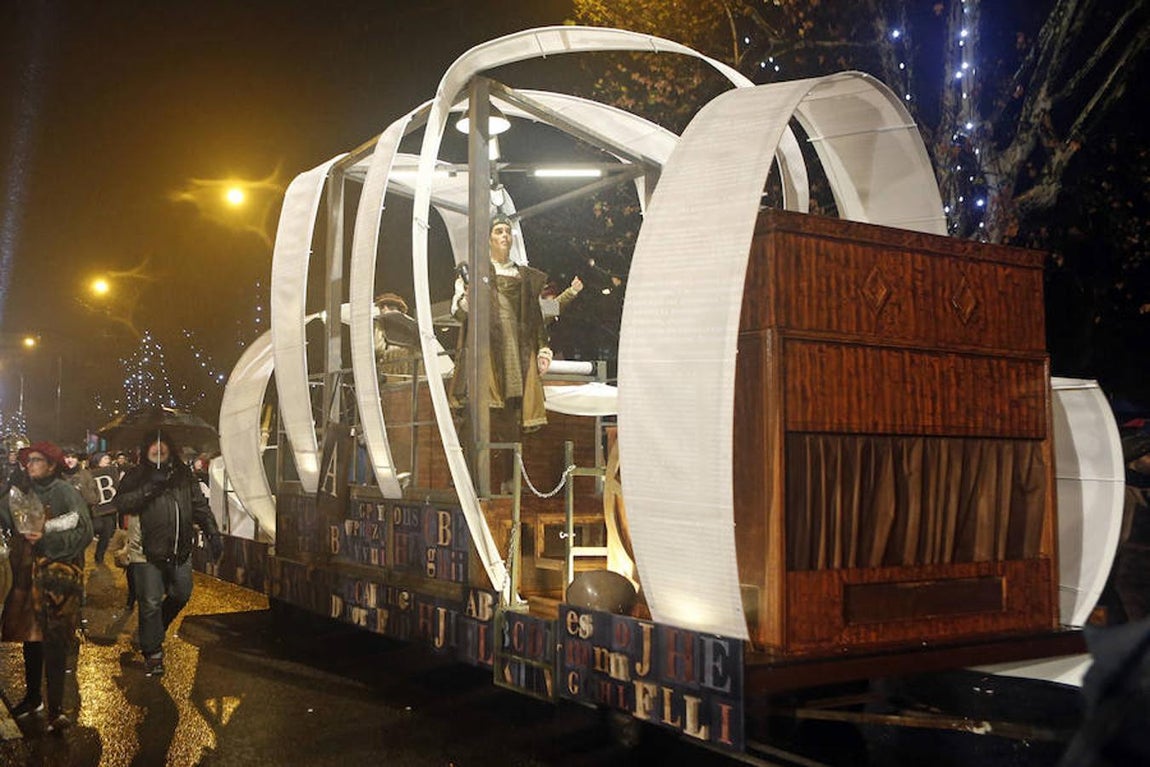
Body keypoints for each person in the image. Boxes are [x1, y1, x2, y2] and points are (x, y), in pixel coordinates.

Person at [450, 214, 582, 434]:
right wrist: (468, 297)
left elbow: (540, 314)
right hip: (487, 353)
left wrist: (570, 294)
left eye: (507, 231)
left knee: (512, 419)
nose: (504, 236)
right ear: (488, 239)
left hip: (517, 353)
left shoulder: (523, 277)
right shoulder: (474, 274)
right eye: (498, 231)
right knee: (484, 420)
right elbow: (459, 314)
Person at [0, 441, 93, 733]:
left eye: (37, 460)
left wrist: (46, 540)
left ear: (52, 465)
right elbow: (7, 515)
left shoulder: (64, 491)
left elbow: (84, 530)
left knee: (54, 641)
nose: (31, 465)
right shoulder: (24, 489)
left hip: (57, 579)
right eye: (28, 461)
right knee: (32, 638)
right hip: (27, 575)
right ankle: (33, 698)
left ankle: (56, 710)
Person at [114, 431, 222, 676]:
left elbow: (199, 506)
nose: (159, 449)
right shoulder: (136, 475)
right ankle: (153, 653)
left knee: (182, 593)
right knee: (150, 602)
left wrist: (213, 532)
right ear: (146, 449)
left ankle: (152, 631)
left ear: (171, 449)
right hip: (145, 552)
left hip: (179, 550)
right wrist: (151, 486)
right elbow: (122, 503)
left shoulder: (184, 475)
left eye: (163, 445)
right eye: (153, 445)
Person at [87, 452, 121, 566]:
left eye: (109, 459)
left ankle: (99, 556)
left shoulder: (112, 472)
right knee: (97, 528)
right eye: (105, 458)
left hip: (110, 509)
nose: (108, 460)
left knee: (107, 534)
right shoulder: (89, 474)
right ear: (98, 460)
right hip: (97, 509)